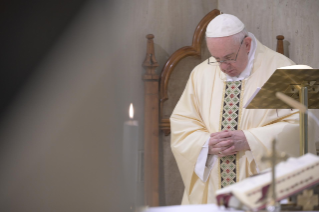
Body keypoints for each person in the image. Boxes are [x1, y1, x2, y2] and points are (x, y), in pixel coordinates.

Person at [170, 14, 317, 205]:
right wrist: (206, 143)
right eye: (217, 59)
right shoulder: (201, 73)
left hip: (263, 190)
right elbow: (183, 123)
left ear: (247, 44)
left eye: (229, 58)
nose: (223, 67)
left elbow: (304, 126)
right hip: (213, 186)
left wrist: (250, 139)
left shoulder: (284, 68)